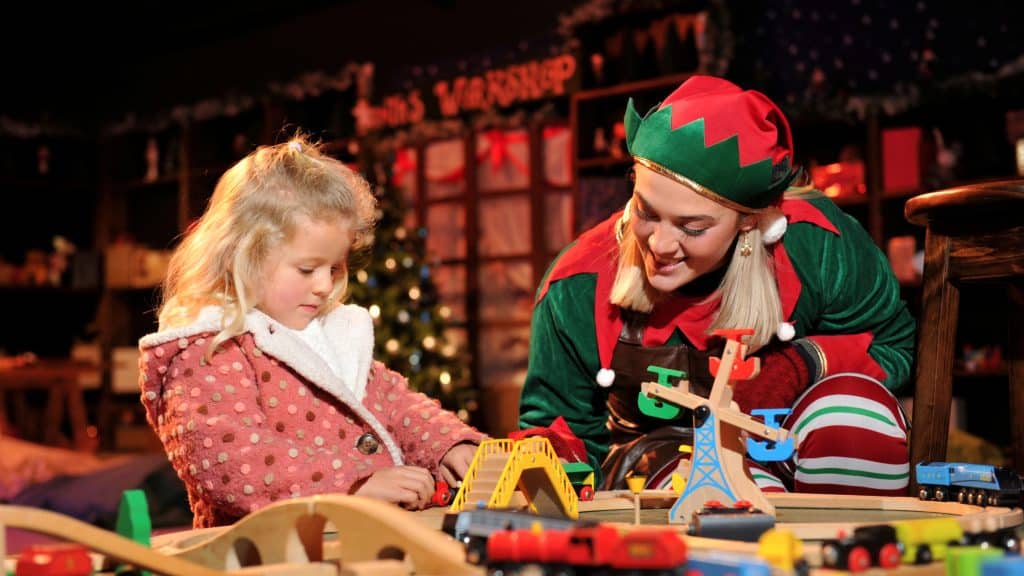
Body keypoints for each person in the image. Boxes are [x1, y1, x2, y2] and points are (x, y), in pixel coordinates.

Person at [519, 75, 915, 496]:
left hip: (792, 435)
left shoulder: (818, 247)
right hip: (663, 462)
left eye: (692, 227)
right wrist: (551, 453)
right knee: (724, 496)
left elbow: (894, 347)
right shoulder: (577, 284)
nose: (660, 244)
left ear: (749, 220)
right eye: (646, 211)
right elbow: (559, 426)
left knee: (855, 423)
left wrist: (802, 363)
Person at [138, 136, 484, 527]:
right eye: (307, 269)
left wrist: (451, 445)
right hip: (267, 555)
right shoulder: (211, 346)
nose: (324, 285)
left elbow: (397, 403)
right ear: (243, 254)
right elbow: (229, 461)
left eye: (334, 268)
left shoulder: (327, 332)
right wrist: (354, 482)